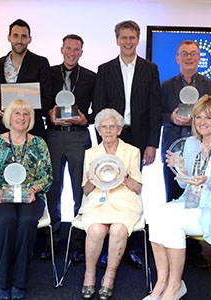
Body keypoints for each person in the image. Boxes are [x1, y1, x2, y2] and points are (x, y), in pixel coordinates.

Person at [147, 95, 211, 300]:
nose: (201, 122)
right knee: (155, 215)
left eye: (207, 118)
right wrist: (179, 168)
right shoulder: (191, 143)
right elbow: (185, 184)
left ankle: (174, 286)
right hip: (192, 203)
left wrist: (207, 180)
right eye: (198, 117)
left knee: (173, 223)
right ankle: (161, 282)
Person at [92, 19, 161, 269]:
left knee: (132, 189)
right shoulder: (105, 69)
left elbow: (155, 107)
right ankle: (105, 247)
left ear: (138, 39)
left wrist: (153, 143)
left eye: (132, 37)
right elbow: (99, 107)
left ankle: (129, 247)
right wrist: (102, 141)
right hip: (112, 136)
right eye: (124, 37)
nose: (128, 42)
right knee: (107, 187)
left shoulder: (150, 69)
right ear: (117, 39)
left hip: (140, 137)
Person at [0, 99, 52, 300]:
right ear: (8, 117)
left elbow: (47, 175)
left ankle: (20, 281)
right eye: (17, 113)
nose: (22, 118)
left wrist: (35, 189)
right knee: (7, 220)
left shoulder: (39, 143)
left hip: (30, 196)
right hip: (1, 196)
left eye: (26, 114)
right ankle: (2, 280)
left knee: (27, 222)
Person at [160, 39, 211, 268]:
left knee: (197, 196)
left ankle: (194, 250)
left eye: (193, 54)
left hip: (201, 149)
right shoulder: (166, 86)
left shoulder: (210, 86)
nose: (188, 57)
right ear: (177, 58)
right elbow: (158, 114)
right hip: (174, 147)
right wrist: (171, 118)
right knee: (174, 195)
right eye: (184, 54)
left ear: (199, 58)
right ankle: (174, 246)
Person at [42, 34, 96, 261]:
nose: (72, 53)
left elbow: (100, 108)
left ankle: (78, 243)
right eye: (68, 48)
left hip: (78, 137)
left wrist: (86, 120)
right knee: (52, 190)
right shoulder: (49, 73)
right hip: (53, 136)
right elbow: (43, 102)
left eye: (77, 49)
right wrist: (49, 114)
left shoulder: (91, 77)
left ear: (82, 52)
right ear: (61, 49)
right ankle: (51, 241)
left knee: (79, 191)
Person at [79, 109, 143, 300]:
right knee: (96, 230)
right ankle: (89, 275)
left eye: (112, 127)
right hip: (98, 203)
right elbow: (86, 190)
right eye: (104, 127)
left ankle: (109, 277)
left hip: (124, 202)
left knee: (118, 230)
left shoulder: (132, 152)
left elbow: (138, 188)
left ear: (120, 129)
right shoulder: (90, 153)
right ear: (98, 131)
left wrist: (125, 178)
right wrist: (91, 179)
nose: (108, 131)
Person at [0, 19, 53, 138]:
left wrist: (23, 114)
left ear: (30, 39)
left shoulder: (41, 63)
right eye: (15, 36)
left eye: (24, 36)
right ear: (9, 37)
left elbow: (48, 98)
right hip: (2, 129)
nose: (19, 41)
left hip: (32, 130)